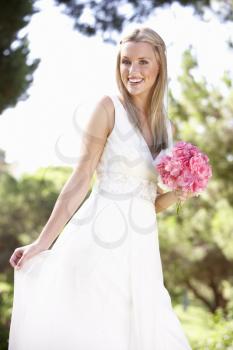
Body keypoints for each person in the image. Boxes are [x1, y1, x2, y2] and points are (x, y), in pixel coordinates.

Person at [8, 26, 195, 350]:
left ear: (159, 65)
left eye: (142, 62)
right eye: (125, 62)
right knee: (100, 330)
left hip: (142, 248)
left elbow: (147, 203)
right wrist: (41, 242)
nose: (132, 71)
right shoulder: (108, 108)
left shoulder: (167, 126)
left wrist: (180, 193)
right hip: (99, 238)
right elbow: (80, 180)